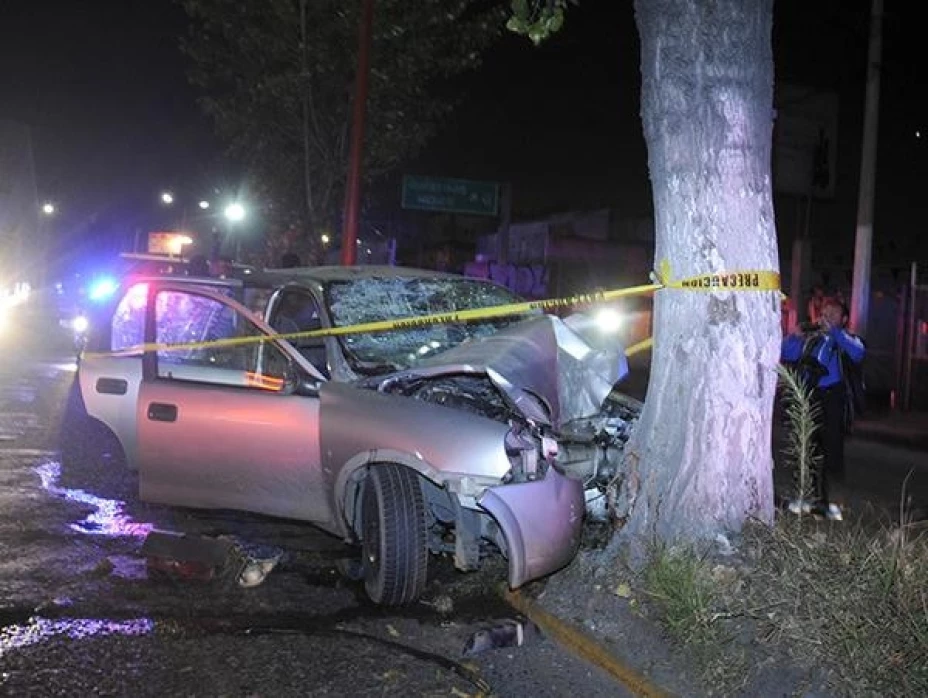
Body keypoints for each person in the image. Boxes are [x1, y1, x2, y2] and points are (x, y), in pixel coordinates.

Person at [781, 297, 865, 520]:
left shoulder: (846, 339)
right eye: (824, 312)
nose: (826, 316)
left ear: (843, 318)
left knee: (833, 452)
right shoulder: (812, 337)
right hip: (810, 397)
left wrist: (835, 333)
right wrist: (795, 335)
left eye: (833, 313)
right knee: (807, 447)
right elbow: (787, 353)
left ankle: (833, 504)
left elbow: (858, 352)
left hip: (834, 399)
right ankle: (804, 498)